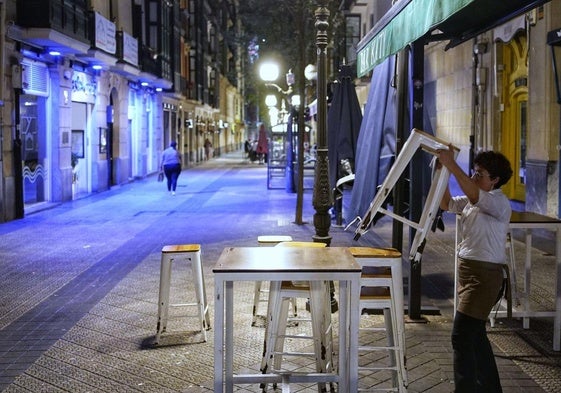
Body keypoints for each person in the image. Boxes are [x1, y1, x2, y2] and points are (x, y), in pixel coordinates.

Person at [437, 147, 513, 393]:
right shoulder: (473, 201)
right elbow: (446, 203)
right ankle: (491, 388)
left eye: (480, 174)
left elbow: (474, 195)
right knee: (476, 336)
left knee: (461, 336)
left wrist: (451, 164)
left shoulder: (498, 202)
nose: (474, 176)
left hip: (484, 277)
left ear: (495, 180)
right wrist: (442, 174)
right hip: (469, 273)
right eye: (474, 171)